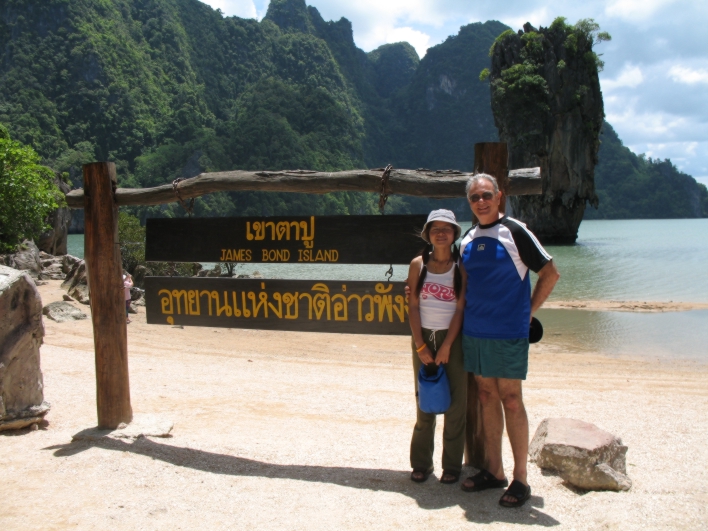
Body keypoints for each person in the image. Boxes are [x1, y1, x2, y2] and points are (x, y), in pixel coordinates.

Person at [459, 174, 559, 507]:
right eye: (475, 198)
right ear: (469, 203)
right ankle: (494, 471)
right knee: (486, 395)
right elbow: (465, 285)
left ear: (499, 197)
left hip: (508, 333)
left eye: (487, 195)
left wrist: (528, 312)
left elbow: (550, 273)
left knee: (511, 398)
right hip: (475, 331)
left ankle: (520, 479)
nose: (481, 202)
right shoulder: (467, 239)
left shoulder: (515, 231)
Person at [406, 209, 468, 484]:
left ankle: (452, 467)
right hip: (423, 337)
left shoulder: (461, 265)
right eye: (435, 228)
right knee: (425, 402)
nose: (441, 233)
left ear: (455, 234)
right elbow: (413, 306)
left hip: (452, 339)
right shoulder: (418, 265)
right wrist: (421, 346)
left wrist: (447, 347)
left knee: (456, 404)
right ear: (428, 234)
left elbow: (460, 310)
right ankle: (421, 464)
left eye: (447, 228)